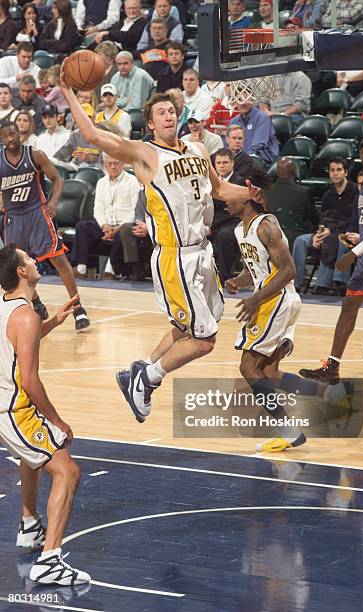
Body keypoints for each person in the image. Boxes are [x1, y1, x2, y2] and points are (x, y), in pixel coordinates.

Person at [60, 67, 267, 419]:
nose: (169, 115)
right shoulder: (144, 154)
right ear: (151, 124)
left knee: (185, 325)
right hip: (175, 257)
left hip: (204, 253)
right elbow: (93, 135)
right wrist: (68, 91)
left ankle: (139, 367)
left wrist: (254, 194)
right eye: (161, 113)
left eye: (172, 110)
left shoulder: (199, 149)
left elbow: (219, 191)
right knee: (204, 339)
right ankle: (148, 377)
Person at [225, 168, 352, 452]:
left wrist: (255, 299)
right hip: (274, 298)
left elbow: (289, 270)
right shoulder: (238, 230)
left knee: (247, 366)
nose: (224, 199)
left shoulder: (266, 225)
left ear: (248, 197)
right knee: (269, 372)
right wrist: (239, 281)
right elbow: (254, 267)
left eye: (229, 194)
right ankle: (332, 393)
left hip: (277, 299)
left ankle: (289, 430)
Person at [0, 244, 91, 585]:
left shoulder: (11, 306)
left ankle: (28, 526)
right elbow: (30, 380)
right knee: (67, 472)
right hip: (14, 408)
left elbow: (18, 341)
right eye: (27, 259)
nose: (35, 260)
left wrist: (54, 321)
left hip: (5, 405)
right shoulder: (26, 315)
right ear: (21, 272)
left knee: (33, 458)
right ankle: (50, 561)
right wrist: (56, 419)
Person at [299, 136, 363, 382]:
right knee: (348, 307)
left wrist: (354, 253)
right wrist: (357, 239)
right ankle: (332, 366)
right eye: (362, 150)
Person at [0, 121, 91, 332]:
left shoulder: (35, 155)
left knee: (58, 258)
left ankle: (77, 307)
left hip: (37, 213)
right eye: (6, 136)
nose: (11, 139)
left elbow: (57, 179)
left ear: (20, 133)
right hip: (14, 217)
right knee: (18, 266)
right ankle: (37, 304)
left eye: (13, 134)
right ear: (2, 138)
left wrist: (52, 202)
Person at [292, 157, 358, 293]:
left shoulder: (354, 191)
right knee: (300, 240)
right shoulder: (328, 195)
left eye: (339, 170)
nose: (335, 173)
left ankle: (337, 282)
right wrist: (318, 234)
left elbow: (351, 220)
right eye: (332, 170)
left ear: (345, 172)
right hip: (327, 231)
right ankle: (296, 284)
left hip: (346, 232)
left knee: (340, 239)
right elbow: (322, 219)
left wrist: (330, 231)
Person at [71, 155, 140, 279]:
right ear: (105, 165)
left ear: (123, 163)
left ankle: (110, 269)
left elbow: (136, 210)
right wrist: (105, 226)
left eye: (116, 163)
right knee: (82, 226)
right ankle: (81, 268)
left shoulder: (132, 181)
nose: (113, 166)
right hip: (107, 225)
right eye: (110, 164)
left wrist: (118, 227)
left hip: (124, 225)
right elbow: (98, 209)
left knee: (124, 231)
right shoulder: (101, 182)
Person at [267, 157, 317, 250]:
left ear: (277, 172)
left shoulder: (266, 191)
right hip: (296, 237)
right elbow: (313, 217)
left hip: (270, 236)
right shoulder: (304, 191)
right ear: (294, 171)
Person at [210, 148, 242, 283]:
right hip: (212, 221)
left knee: (224, 236)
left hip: (232, 221)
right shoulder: (209, 181)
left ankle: (225, 277)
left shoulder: (239, 182)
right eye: (218, 163)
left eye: (225, 162)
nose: (221, 166)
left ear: (232, 163)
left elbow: (235, 210)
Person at [228, 98, 279, 166]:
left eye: (246, 99)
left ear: (252, 100)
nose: (243, 103)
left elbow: (258, 145)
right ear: (235, 102)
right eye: (240, 99)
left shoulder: (262, 118)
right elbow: (227, 145)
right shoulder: (233, 121)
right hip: (240, 161)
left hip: (262, 162)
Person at [55, 103, 102, 169]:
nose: (85, 120)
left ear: (94, 117)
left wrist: (91, 158)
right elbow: (61, 155)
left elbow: (108, 159)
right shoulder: (75, 135)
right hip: (77, 169)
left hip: (97, 169)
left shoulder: (102, 135)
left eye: (88, 117)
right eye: (81, 117)